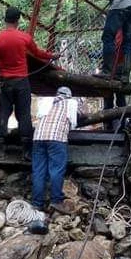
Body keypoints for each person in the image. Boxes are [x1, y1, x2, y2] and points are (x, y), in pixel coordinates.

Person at [0, 6, 56, 160]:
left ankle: (0, 151)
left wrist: (1, 67)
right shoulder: (25, 38)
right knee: (24, 115)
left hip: (4, 82)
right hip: (22, 82)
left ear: (5, 20)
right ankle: (26, 152)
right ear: (18, 21)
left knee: (3, 114)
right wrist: (52, 55)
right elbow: (38, 53)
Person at [31, 86, 78, 214]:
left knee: (38, 171)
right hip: (56, 139)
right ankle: (56, 201)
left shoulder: (47, 102)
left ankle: (37, 204)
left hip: (38, 138)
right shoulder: (71, 103)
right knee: (56, 170)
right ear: (69, 96)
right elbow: (74, 122)